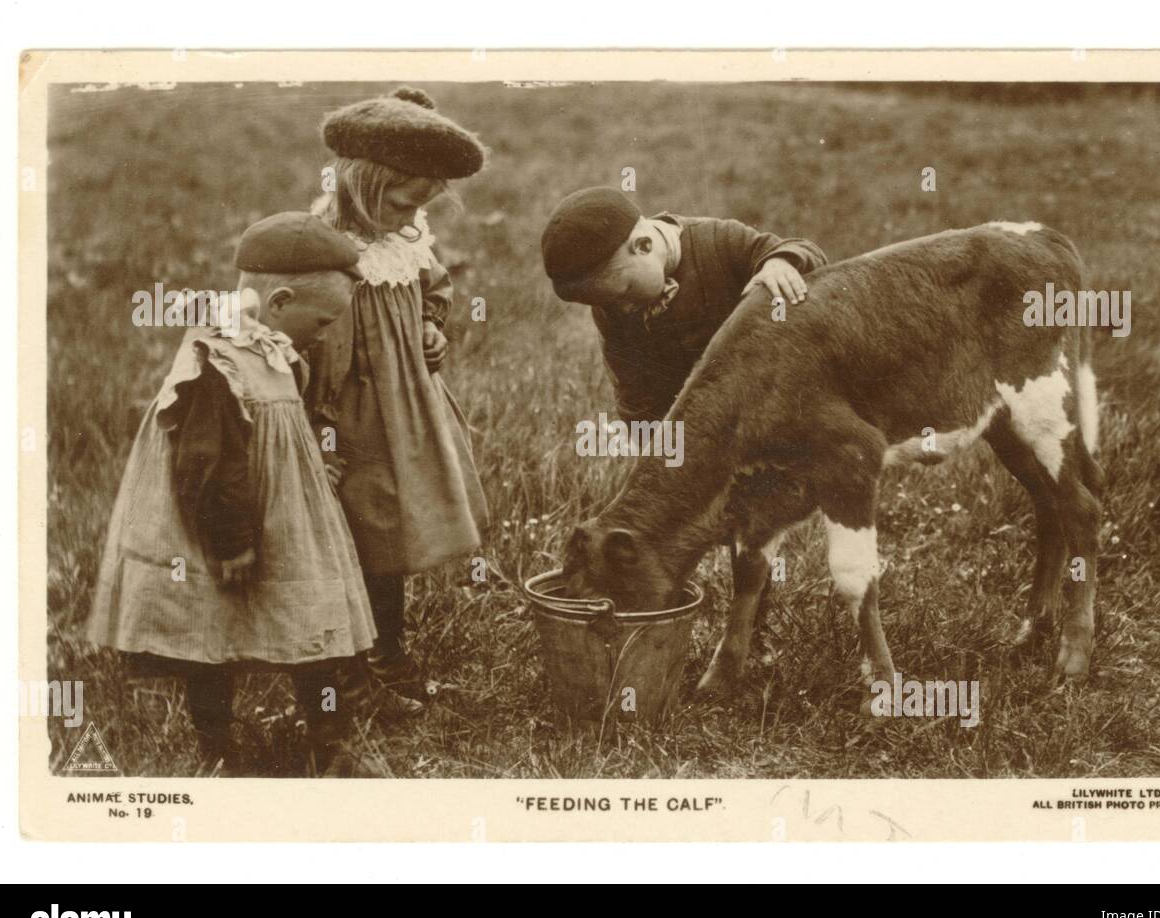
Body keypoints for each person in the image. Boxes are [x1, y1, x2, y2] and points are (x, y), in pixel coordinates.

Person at [87, 212, 376, 775]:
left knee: (315, 627)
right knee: (207, 639)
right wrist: (231, 541)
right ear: (280, 303)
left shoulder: (275, 350)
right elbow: (208, 463)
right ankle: (216, 748)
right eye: (322, 321)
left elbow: (285, 430)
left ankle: (329, 741)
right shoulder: (217, 362)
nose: (325, 335)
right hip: (221, 527)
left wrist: (315, 460)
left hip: (283, 523)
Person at [306, 87, 489, 704]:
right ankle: (349, 666)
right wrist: (317, 426)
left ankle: (388, 652)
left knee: (394, 533)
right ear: (362, 186)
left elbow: (432, 285)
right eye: (405, 203)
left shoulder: (404, 238)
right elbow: (309, 341)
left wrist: (431, 327)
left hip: (407, 409)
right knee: (363, 531)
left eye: (422, 207)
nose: (414, 220)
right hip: (352, 417)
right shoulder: (326, 249)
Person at [541, 185, 829, 423]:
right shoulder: (613, 310)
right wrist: (652, 448)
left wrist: (779, 264)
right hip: (700, 418)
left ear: (643, 246)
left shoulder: (720, 242)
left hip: (771, 387)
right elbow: (633, 389)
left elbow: (800, 250)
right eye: (606, 304)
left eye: (624, 293)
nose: (623, 309)